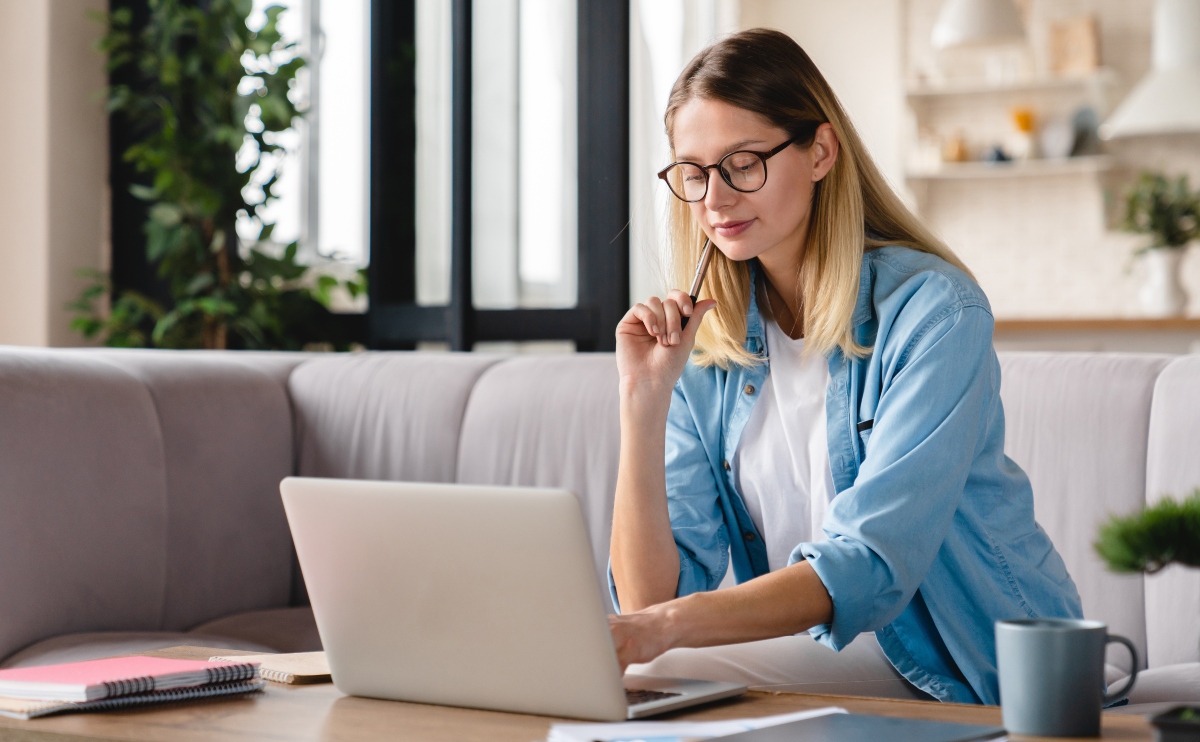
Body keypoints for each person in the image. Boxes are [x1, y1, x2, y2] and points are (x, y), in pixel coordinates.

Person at [607, 28, 1082, 705]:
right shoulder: (706, 346)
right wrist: (641, 405)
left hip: (970, 659)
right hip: (816, 654)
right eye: (694, 172)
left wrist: (666, 630)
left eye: (743, 164)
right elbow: (648, 597)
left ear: (820, 151)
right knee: (640, 674)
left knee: (650, 675)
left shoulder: (934, 313)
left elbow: (868, 564)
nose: (714, 199)